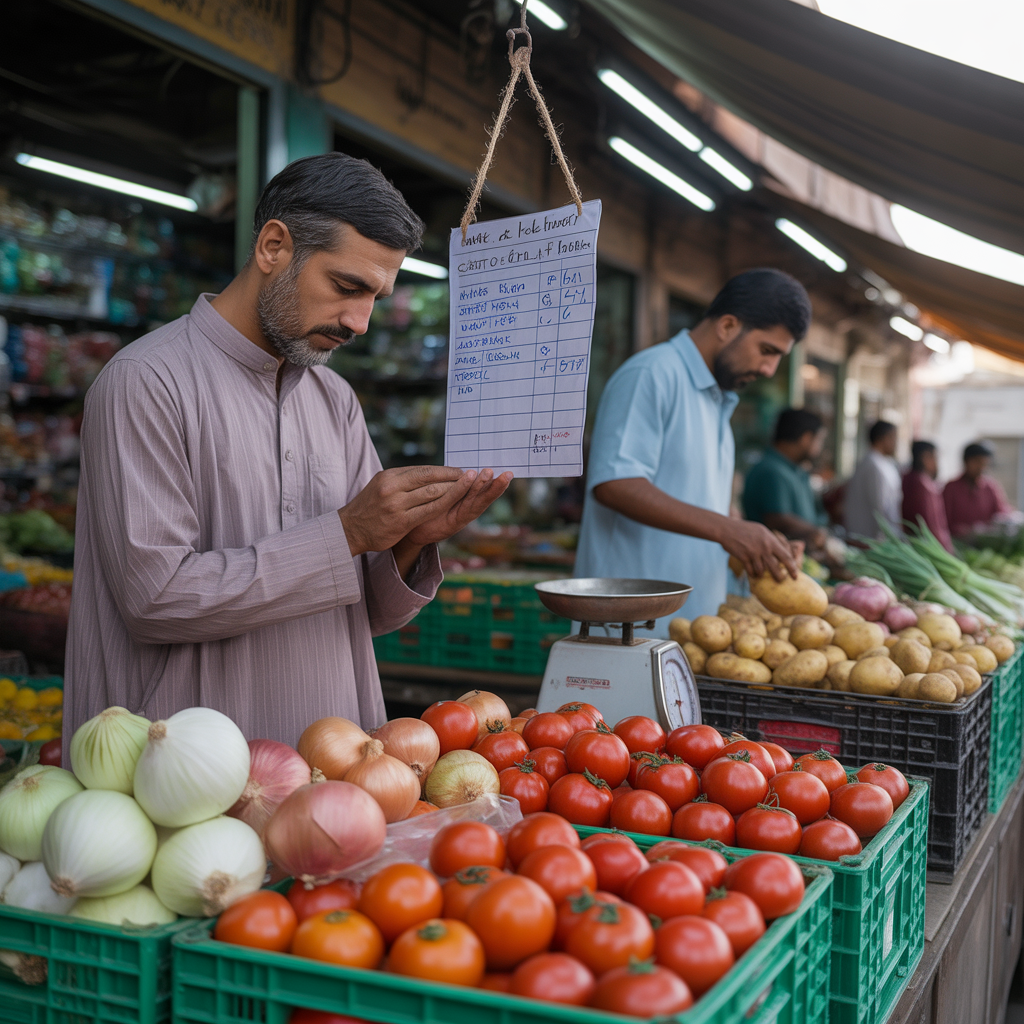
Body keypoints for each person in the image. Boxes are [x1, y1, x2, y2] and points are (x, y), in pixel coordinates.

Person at [64, 154, 511, 748]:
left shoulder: (335, 399)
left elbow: (367, 610)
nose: (360, 322)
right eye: (347, 287)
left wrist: (415, 537)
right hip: (181, 778)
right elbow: (155, 599)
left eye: (376, 297)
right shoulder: (147, 381)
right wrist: (348, 533)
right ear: (274, 247)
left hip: (334, 772)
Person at [574, 268, 810, 632]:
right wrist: (727, 531)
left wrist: (751, 538)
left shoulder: (718, 399)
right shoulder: (652, 374)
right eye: (767, 351)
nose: (768, 369)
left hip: (693, 629)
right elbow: (614, 483)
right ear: (728, 326)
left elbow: (701, 502)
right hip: (627, 631)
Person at [742, 408, 827, 549]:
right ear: (806, 438)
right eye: (820, 440)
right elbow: (777, 519)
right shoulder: (771, 470)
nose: (820, 447)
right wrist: (814, 532)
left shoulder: (797, 470)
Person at [843, 421, 902, 540]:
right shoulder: (873, 466)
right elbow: (880, 507)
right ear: (883, 438)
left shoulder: (882, 464)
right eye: (893, 437)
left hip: (879, 538)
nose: (896, 443)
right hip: (870, 539)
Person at [944, 442, 1014, 537]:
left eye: (985, 463)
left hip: (986, 541)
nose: (981, 467)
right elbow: (944, 520)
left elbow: (1002, 513)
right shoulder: (951, 488)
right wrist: (967, 531)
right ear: (966, 461)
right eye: (977, 462)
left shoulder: (991, 487)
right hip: (958, 542)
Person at [902, 440, 953, 550]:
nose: (937, 463)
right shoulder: (922, 485)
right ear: (925, 458)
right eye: (935, 458)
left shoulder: (910, 478)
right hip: (926, 548)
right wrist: (945, 550)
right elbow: (931, 525)